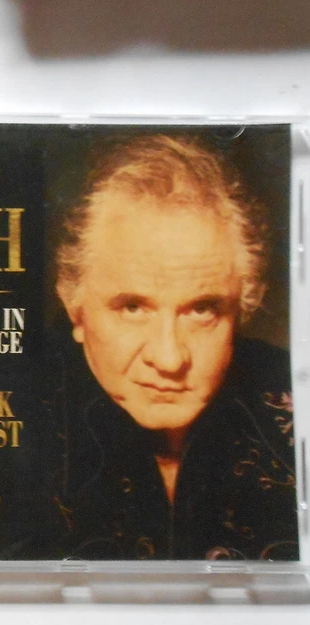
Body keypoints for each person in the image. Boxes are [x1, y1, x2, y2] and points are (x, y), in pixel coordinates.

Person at [46, 134, 297, 560]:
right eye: (132, 307)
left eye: (202, 310)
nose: (169, 358)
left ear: (241, 309)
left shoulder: (293, 403)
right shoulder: (5, 431)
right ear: (76, 307)